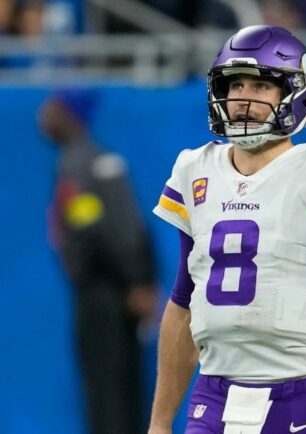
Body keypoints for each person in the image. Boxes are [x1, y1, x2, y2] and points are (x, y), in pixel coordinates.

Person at [148, 25, 306, 434]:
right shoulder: (195, 168)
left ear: (294, 94)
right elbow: (182, 306)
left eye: (259, 87)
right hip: (212, 393)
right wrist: (159, 421)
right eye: (234, 85)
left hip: (299, 390)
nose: (242, 100)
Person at [41, 89, 159, 434]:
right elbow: (127, 228)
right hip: (114, 293)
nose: (43, 116)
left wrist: (135, 283)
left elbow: (100, 228)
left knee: (108, 395)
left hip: (104, 296)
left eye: (52, 107)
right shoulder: (94, 161)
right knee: (121, 391)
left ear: (68, 114)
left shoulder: (81, 164)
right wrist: (139, 280)